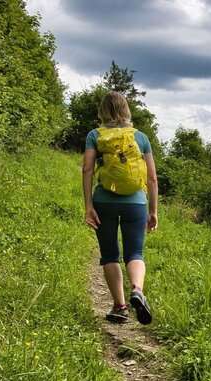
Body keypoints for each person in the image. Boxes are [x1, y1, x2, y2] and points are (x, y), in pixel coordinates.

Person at [82, 91, 158, 324]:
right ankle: (137, 289)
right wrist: (153, 211)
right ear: (126, 110)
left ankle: (120, 306)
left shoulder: (95, 135)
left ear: (102, 111)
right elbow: (152, 178)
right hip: (136, 203)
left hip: (104, 201)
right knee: (135, 253)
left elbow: (87, 169)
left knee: (110, 254)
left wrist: (88, 205)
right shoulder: (141, 137)